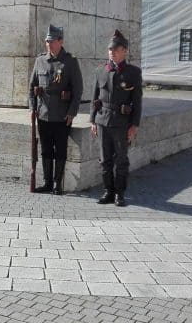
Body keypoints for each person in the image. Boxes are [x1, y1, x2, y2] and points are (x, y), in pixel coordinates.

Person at [88, 30, 143, 207]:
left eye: (116, 49)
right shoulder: (100, 71)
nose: (112, 52)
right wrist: (92, 120)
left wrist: (134, 125)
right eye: (110, 49)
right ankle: (108, 191)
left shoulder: (133, 73)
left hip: (121, 123)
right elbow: (94, 97)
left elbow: (137, 101)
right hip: (102, 121)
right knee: (105, 160)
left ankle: (120, 193)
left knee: (121, 160)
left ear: (124, 50)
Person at [29, 25, 83, 195]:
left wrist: (72, 112)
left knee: (60, 150)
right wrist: (32, 107)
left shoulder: (70, 61)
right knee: (46, 150)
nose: (49, 44)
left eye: (52, 41)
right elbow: (32, 86)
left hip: (62, 115)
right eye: (47, 41)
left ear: (61, 41)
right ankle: (47, 183)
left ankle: (57, 184)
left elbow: (78, 90)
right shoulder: (40, 60)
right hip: (43, 114)